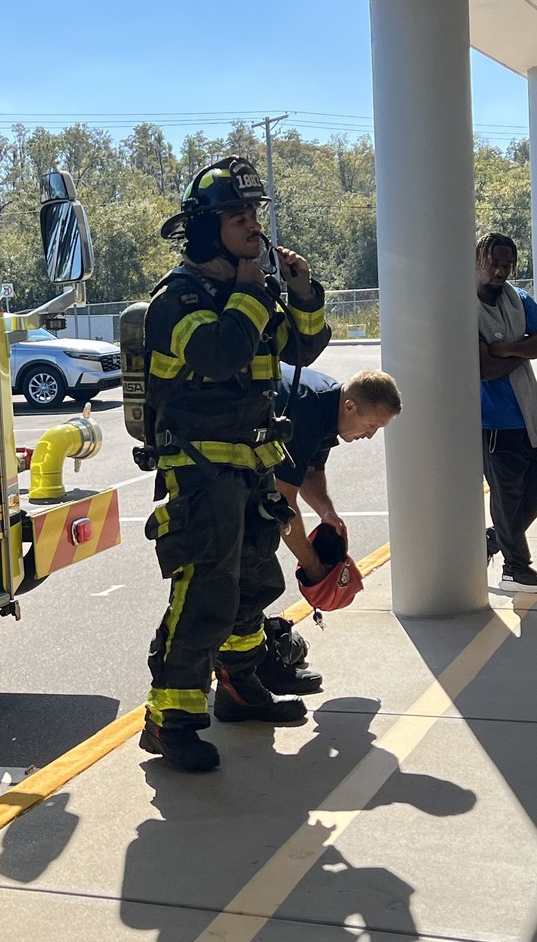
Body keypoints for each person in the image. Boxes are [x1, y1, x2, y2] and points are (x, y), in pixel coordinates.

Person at [139, 155, 331, 772]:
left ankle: (241, 688)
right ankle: (171, 720)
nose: (253, 225)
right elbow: (219, 354)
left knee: (254, 582)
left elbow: (302, 345)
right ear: (204, 228)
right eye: (237, 216)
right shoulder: (177, 299)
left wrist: (300, 292)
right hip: (199, 471)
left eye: (255, 214)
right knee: (206, 591)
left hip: (250, 462)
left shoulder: (253, 291)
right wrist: (252, 293)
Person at [272, 366, 402, 588]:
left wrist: (326, 510)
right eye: (371, 425)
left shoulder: (333, 403)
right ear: (350, 406)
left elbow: (311, 473)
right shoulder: (308, 412)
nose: (370, 436)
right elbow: (281, 501)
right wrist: (313, 568)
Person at [476, 231, 537, 592]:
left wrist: (506, 350)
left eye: (506, 265)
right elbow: (482, 369)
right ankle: (516, 567)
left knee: (528, 495)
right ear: (477, 261)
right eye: (493, 263)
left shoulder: (520, 299)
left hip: (528, 412)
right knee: (508, 494)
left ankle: (494, 540)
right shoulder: (465, 306)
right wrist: (522, 350)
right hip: (494, 420)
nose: (500, 271)